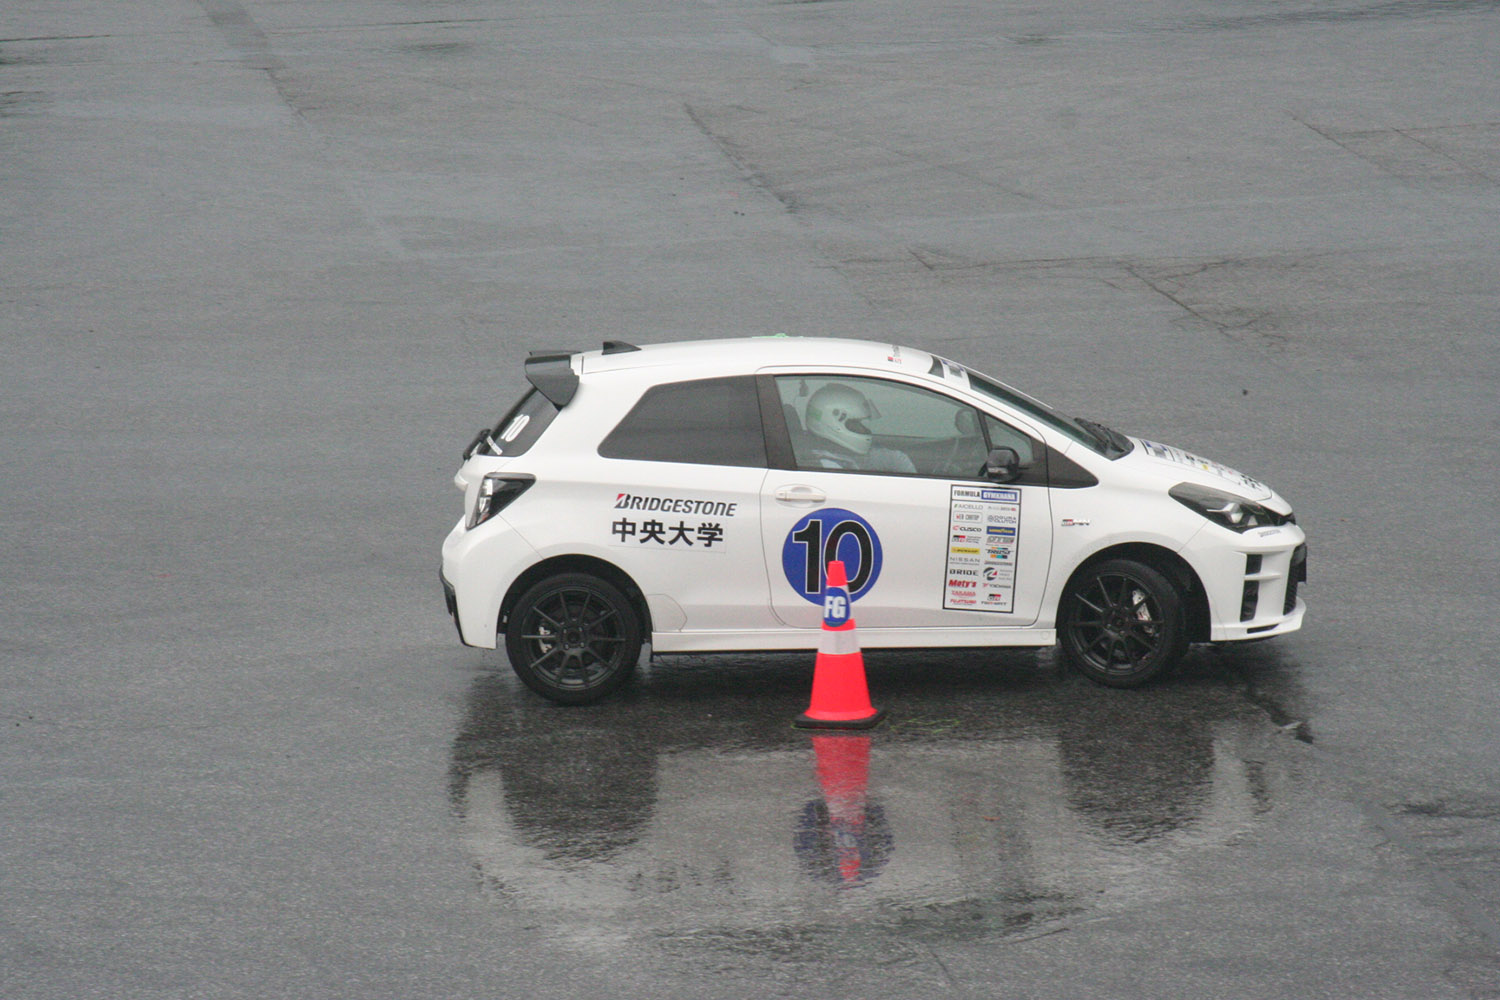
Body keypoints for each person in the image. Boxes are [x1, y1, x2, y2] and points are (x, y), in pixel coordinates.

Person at [802, 383, 916, 474]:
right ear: (834, 422)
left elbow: (893, 458)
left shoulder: (847, 454)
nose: (863, 429)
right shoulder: (825, 467)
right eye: (855, 423)